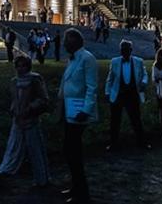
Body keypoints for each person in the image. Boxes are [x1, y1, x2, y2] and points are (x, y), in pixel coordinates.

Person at [0, 56, 50, 187]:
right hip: (17, 120)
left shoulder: (34, 79)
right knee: (12, 148)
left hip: (31, 120)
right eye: (18, 66)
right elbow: (15, 99)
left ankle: (42, 179)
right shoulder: (14, 81)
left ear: (28, 67)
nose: (21, 69)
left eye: (23, 66)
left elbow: (43, 99)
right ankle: (3, 173)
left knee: (36, 149)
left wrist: (30, 108)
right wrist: (14, 109)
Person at [58, 28, 98, 204]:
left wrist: (87, 110)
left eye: (67, 40)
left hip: (79, 112)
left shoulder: (87, 58)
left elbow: (92, 87)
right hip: (69, 111)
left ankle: (82, 192)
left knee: (73, 151)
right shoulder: (72, 59)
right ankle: (76, 186)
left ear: (74, 41)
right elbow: (66, 83)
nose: (64, 44)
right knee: (69, 150)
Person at [104, 40, 151, 150]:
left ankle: (141, 142)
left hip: (132, 94)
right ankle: (113, 143)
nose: (124, 52)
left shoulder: (138, 61)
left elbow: (144, 74)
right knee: (115, 120)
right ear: (120, 50)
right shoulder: (114, 61)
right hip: (118, 94)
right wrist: (107, 92)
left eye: (126, 49)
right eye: (122, 49)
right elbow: (110, 79)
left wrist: (144, 82)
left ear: (131, 50)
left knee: (136, 119)